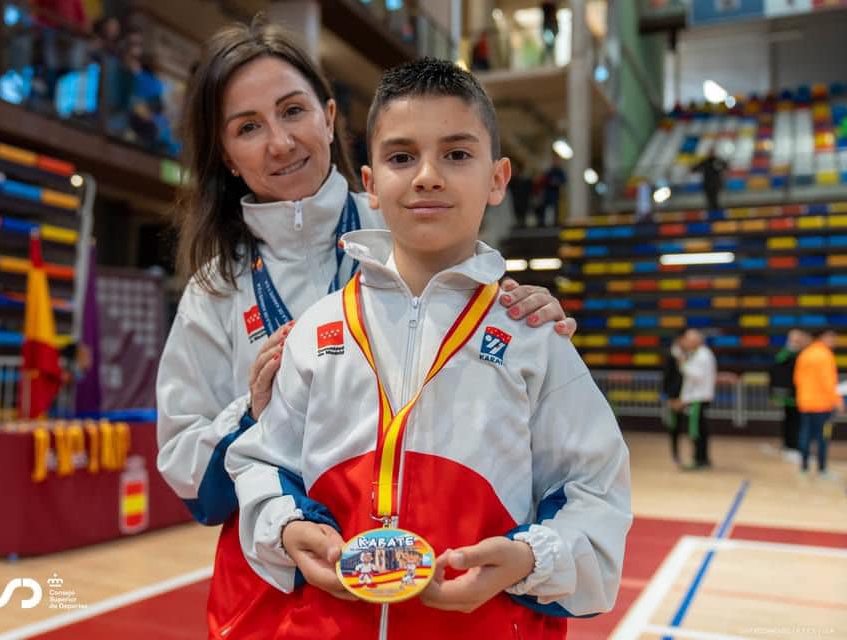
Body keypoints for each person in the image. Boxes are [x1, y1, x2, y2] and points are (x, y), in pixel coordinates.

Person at [155, 18, 577, 640]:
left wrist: (519, 310)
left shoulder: (408, 224)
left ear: (329, 117)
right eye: (249, 127)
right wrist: (253, 412)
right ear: (226, 155)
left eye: (292, 111)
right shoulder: (215, 289)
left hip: (437, 581)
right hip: (281, 591)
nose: (280, 142)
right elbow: (192, 480)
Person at [227, 57, 631, 639]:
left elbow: (598, 494)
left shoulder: (533, 339)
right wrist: (288, 527)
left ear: (498, 177)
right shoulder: (319, 332)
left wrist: (527, 559)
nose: (427, 176)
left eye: (457, 154)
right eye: (400, 157)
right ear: (370, 185)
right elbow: (262, 463)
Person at [793, 329, 844, 478]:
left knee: (805, 435)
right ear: (823, 337)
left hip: (805, 403)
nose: (834, 342)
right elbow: (828, 382)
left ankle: (804, 467)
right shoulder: (825, 355)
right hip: (822, 404)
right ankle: (822, 469)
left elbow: (797, 379)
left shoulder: (805, 353)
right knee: (823, 436)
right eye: (832, 338)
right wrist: (838, 401)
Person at [675, 329, 717, 469]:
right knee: (700, 429)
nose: (685, 342)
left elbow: (698, 376)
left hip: (698, 398)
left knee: (695, 430)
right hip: (695, 398)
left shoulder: (702, 355)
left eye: (688, 339)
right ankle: (702, 459)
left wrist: (683, 365)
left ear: (695, 341)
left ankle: (699, 460)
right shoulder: (698, 354)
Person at [769, 329, 810, 458]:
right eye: (794, 338)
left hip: (800, 393)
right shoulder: (786, 353)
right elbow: (778, 366)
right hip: (789, 395)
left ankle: (794, 445)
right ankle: (790, 445)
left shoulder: (804, 353)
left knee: (797, 421)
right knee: (791, 420)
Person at [662, 331, 685, 465]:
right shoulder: (671, 355)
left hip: (685, 396)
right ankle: (675, 454)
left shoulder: (685, 355)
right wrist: (670, 397)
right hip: (675, 397)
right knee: (675, 426)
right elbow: (667, 377)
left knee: (682, 425)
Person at [541, 158, 566, 227]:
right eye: (554, 161)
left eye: (557, 161)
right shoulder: (549, 171)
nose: (555, 162)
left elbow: (564, 181)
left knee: (556, 210)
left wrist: (556, 182)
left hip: (556, 195)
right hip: (548, 195)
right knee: (547, 210)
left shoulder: (560, 172)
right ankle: (546, 223)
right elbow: (544, 180)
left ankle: (556, 223)